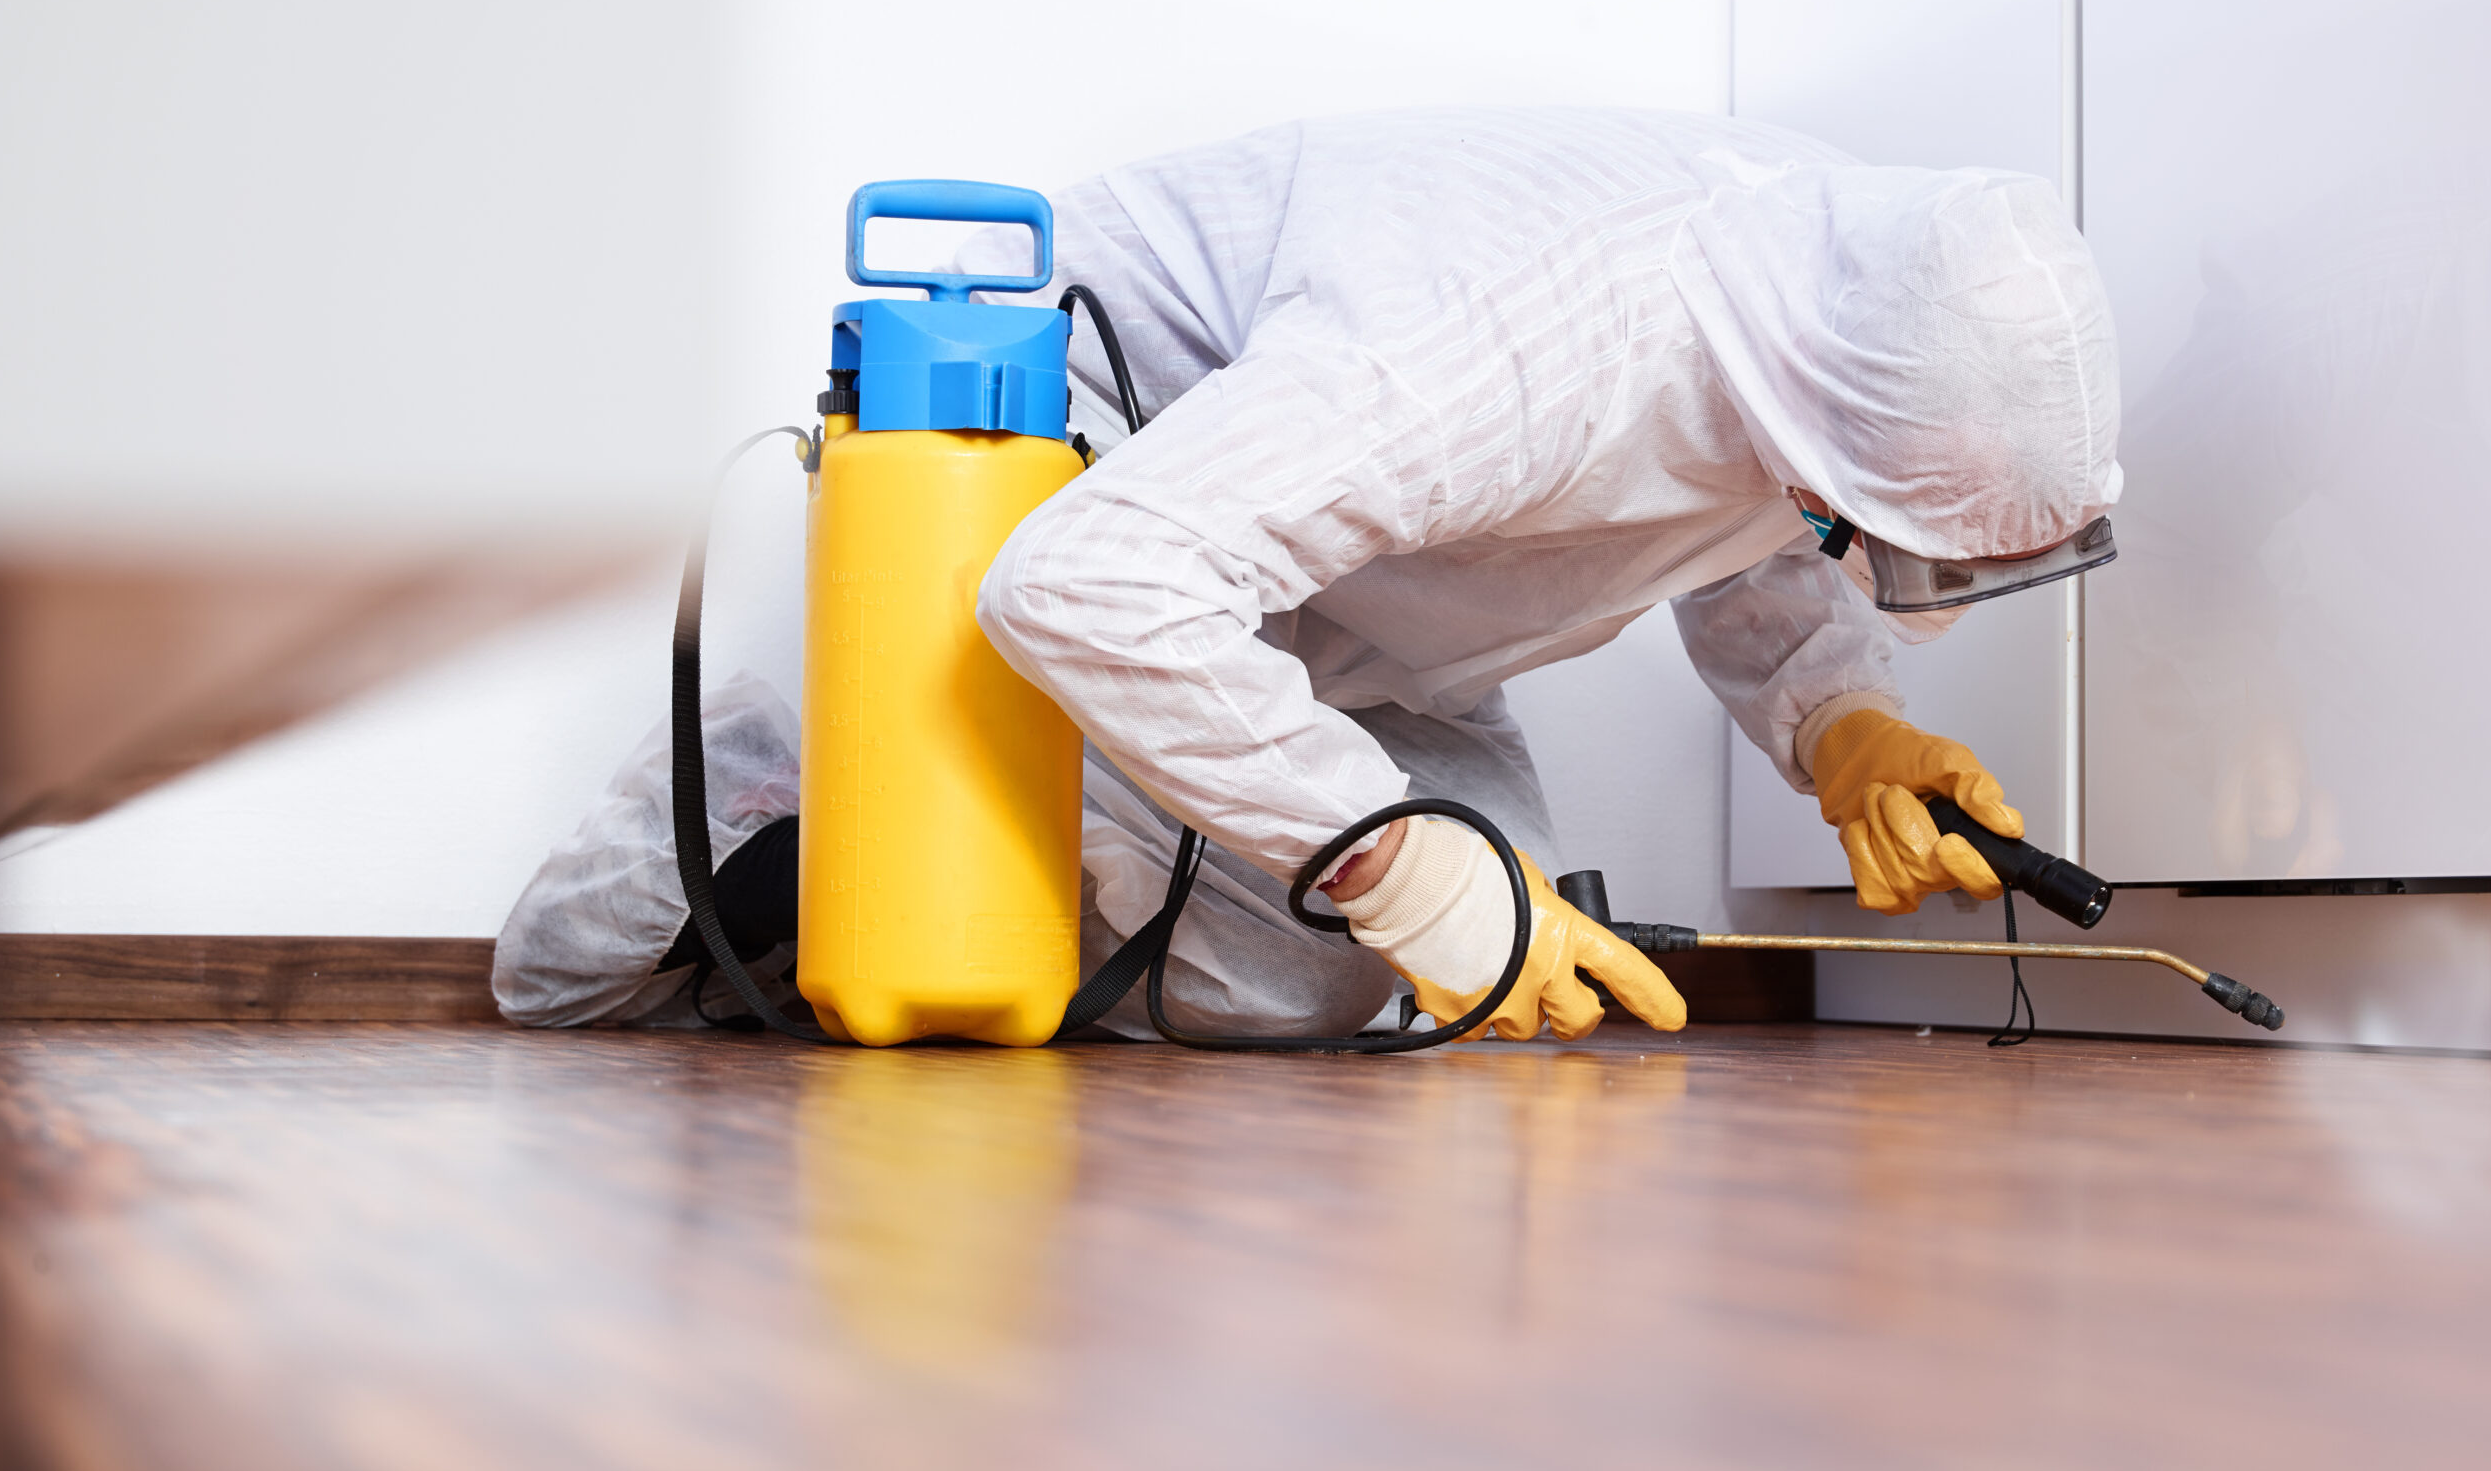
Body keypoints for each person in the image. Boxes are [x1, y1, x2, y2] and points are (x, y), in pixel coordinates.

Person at [494, 107, 2121, 1043]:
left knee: (1394, 973)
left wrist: (1840, 722)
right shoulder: (1508, 346)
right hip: (1094, 492)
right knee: (1357, 944)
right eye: (1870, 531)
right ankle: (806, 784)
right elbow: (1091, 584)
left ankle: (1015, 838)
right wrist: (1402, 872)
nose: (1862, 552)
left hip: (1357, 575)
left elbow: (1751, 491)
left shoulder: (1838, 295)